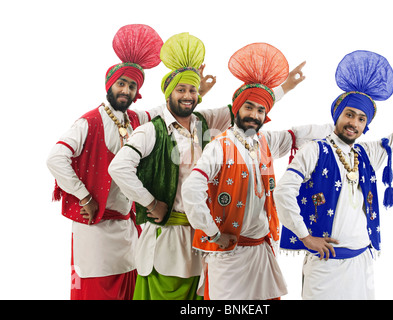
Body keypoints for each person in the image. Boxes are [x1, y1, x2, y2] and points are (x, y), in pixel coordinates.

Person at [108, 34, 319, 300]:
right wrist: (151, 203)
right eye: (181, 90)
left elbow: (248, 107)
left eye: (192, 90)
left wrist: (285, 87)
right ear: (168, 93)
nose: (188, 96)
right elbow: (118, 168)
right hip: (169, 239)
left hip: (205, 235)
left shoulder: (204, 121)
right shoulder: (151, 130)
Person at [181, 43, 333, 300]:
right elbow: (191, 189)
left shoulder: (264, 142)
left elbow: (299, 134)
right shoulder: (220, 146)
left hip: (261, 249)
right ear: (236, 109)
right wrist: (213, 233)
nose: (254, 115)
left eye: (260, 110)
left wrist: (339, 126)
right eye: (248, 107)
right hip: (228, 255)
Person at [274, 50, 393, 300]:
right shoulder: (315, 150)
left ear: (366, 125)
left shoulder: (366, 154)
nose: (354, 122)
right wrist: (305, 236)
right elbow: (283, 191)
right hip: (325, 266)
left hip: (362, 262)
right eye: (349, 114)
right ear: (338, 114)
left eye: (361, 118)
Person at [46, 24, 164, 300]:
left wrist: (194, 90)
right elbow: (55, 158)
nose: (126, 90)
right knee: (97, 290)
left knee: (129, 287)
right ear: (110, 85)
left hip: (126, 225)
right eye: (122, 83)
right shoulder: (88, 122)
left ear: (137, 92)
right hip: (95, 228)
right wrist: (85, 197)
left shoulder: (135, 120)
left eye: (132, 85)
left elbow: (165, 111)